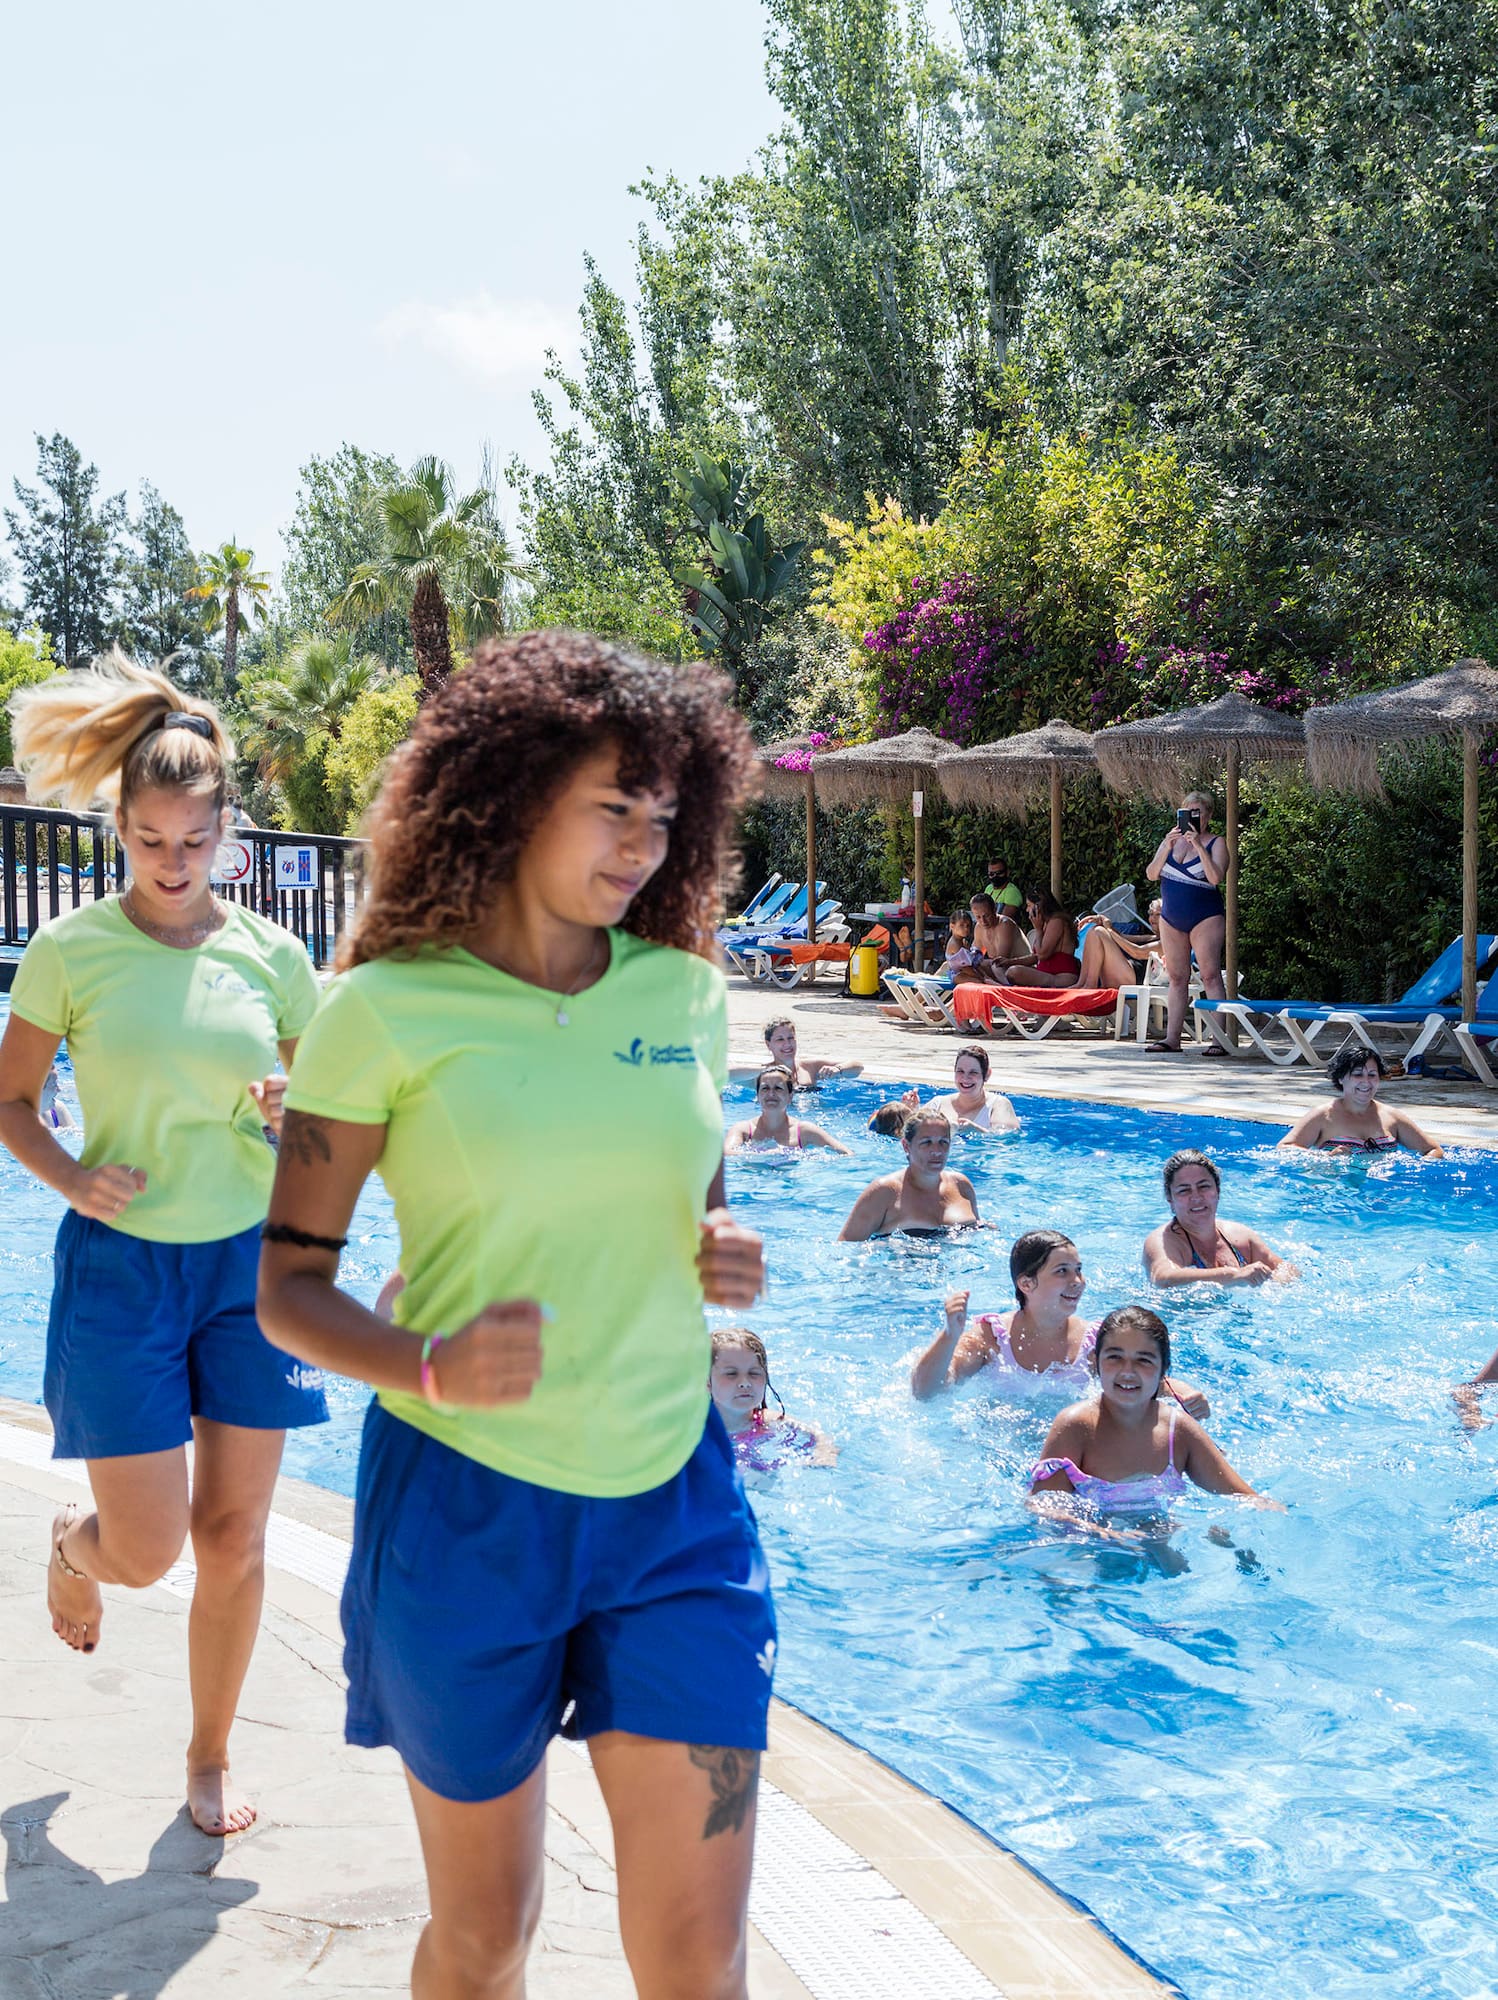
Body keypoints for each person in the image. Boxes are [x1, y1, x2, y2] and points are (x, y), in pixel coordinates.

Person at [255, 631, 774, 2000]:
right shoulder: (378, 1014)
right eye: (614, 809)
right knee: (487, 1941)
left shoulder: (689, 998)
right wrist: (428, 1361)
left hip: (676, 1504)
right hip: (466, 1514)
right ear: (512, 793)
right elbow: (289, 1289)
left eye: (666, 821)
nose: (642, 849)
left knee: (697, 1955)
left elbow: (693, 1190)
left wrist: (720, 1248)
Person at [0, 649, 326, 1837]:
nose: (172, 863)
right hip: (124, 1270)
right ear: (119, 828)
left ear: (227, 830)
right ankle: (71, 1551)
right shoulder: (72, 951)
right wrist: (75, 1175)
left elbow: (342, 1117)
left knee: (233, 1538)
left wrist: (303, 1113)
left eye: (193, 840)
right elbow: (9, 1102)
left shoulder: (276, 957)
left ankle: (208, 1753)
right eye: (148, 839)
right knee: (144, 1549)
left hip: (250, 1266)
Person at [912, 1231, 1209, 1412]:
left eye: (1078, 1270)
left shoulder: (1096, 1339)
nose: (1077, 1281)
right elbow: (926, 1392)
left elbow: (1141, 1378)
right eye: (1062, 1271)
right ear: (1026, 1284)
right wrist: (949, 1336)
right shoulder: (991, 1337)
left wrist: (1183, 1394)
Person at [1029, 1307, 1278, 1517]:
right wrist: (1109, 1536)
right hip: (1088, 1550)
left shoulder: (1177, 1431)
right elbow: (1043, 1508)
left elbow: (1241, 1496)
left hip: (1157, 1545)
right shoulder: (1076, 1425)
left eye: (1144, 1360)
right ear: (1095, 1362)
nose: (1128, 1371)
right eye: (1115, 1357)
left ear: (1164, 1369)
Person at [1144, 791, 1229, 1053]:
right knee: (1177, 977)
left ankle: (1219, 1040)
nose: (1193, 818)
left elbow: (1216, 878)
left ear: (1208, 816)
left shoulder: (1216, 842)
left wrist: (1199, 847)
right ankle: (1172, 1038)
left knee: (1210, 975)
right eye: (1188, 813)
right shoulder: (1170, 841)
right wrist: (1167, 847)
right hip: (1172, 917)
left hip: (1205, 916)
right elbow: (1151, 874)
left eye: (1198, 813)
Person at [1143, 1149, 1299, 1286]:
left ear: (1217, 1191)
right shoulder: (1164, 1241)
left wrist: (1273, 1283)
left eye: (1203, 1186)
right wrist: (1234, 1275)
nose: (1196, 1197)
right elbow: (1163, 1278)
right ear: (1170, 1199)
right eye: (1184, 1190)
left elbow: (1288, 1270)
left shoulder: (1239, 1236)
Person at [1278, 1044, 1444, 1159]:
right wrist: (1325, 1158)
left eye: (1372, 1075)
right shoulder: (1323, 1116)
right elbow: (1284, 1148)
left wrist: (1418, 1169)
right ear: (1341, 1078)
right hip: (1332, 1190)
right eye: (1357, 1074)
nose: (1366, 1082)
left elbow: (1433, 1149)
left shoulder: (1392, 1117)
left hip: (1380, 1193)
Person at [838, 1108, 980, 1239]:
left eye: (943, 1142)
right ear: (906, 1146)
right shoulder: (885, 1191)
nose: (937, 1150)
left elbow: (979, 1230)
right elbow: (846, 1247)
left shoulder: (961, 1185)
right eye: (926, 1142)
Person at [709, 1329, 836, 1471]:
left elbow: (820, 1436)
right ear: (707, 1383)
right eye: (731, 1373)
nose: (745, 1382)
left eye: (754, 1373)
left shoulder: (768, 1421)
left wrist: (824, 1454)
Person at [725, 1065, 851, 1155]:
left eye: (778, 1088)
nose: (771, 1094)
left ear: (790, 1096)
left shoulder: (804, 1131)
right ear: (757, 1096)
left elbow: (846, 1154)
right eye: (765, 1088)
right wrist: (766, 1156)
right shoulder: (744, 1129)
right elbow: (726, 1153)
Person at [730, 1016, 860, 1089]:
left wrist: (838, 1069)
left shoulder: (809, 1067)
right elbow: (725, 1073)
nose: (787, 1044)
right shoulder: (762, 1074)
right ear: (768, 1044)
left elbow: (857, 1066)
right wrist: (768, 1071)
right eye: (780, 1039)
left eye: (791, 1038)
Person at [991, 888, 1079, 988]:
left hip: (1060, 977)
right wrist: (1008, 961)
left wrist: (1038, 930)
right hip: (1046, 974)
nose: (1027, 910)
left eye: (1029, 905)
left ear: (1038, 907)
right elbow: (1036, 956)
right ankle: (1007, 986)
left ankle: (1007, 987)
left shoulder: (1057, 921)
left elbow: (1042, 955)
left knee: (1013, 972)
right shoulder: (1046, 923)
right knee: (998, 968)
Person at [923, 1045, 1019, 1133]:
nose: (965, 1078)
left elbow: (1008, 1139)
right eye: (960, 1071)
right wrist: (909, 1111)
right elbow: (912, 1132)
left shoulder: (998, 1105)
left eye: (973, 1072)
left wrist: (976, 1131)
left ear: (987, 1074)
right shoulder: (937, 1104)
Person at [1075, 911, 1160, 989]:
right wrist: (1103, 922)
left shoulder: (1166, 943)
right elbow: (1121, 937)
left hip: (1133, 981)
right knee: (1093, 930)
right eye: (1151, 914)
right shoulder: (1152, 937)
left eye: (1158, 915)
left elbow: (1137, 952)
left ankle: (1090, 984)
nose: (1153, 918)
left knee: (1098, 932)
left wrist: (1109, 929)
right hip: (1126, 973)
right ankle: (1081, 983)